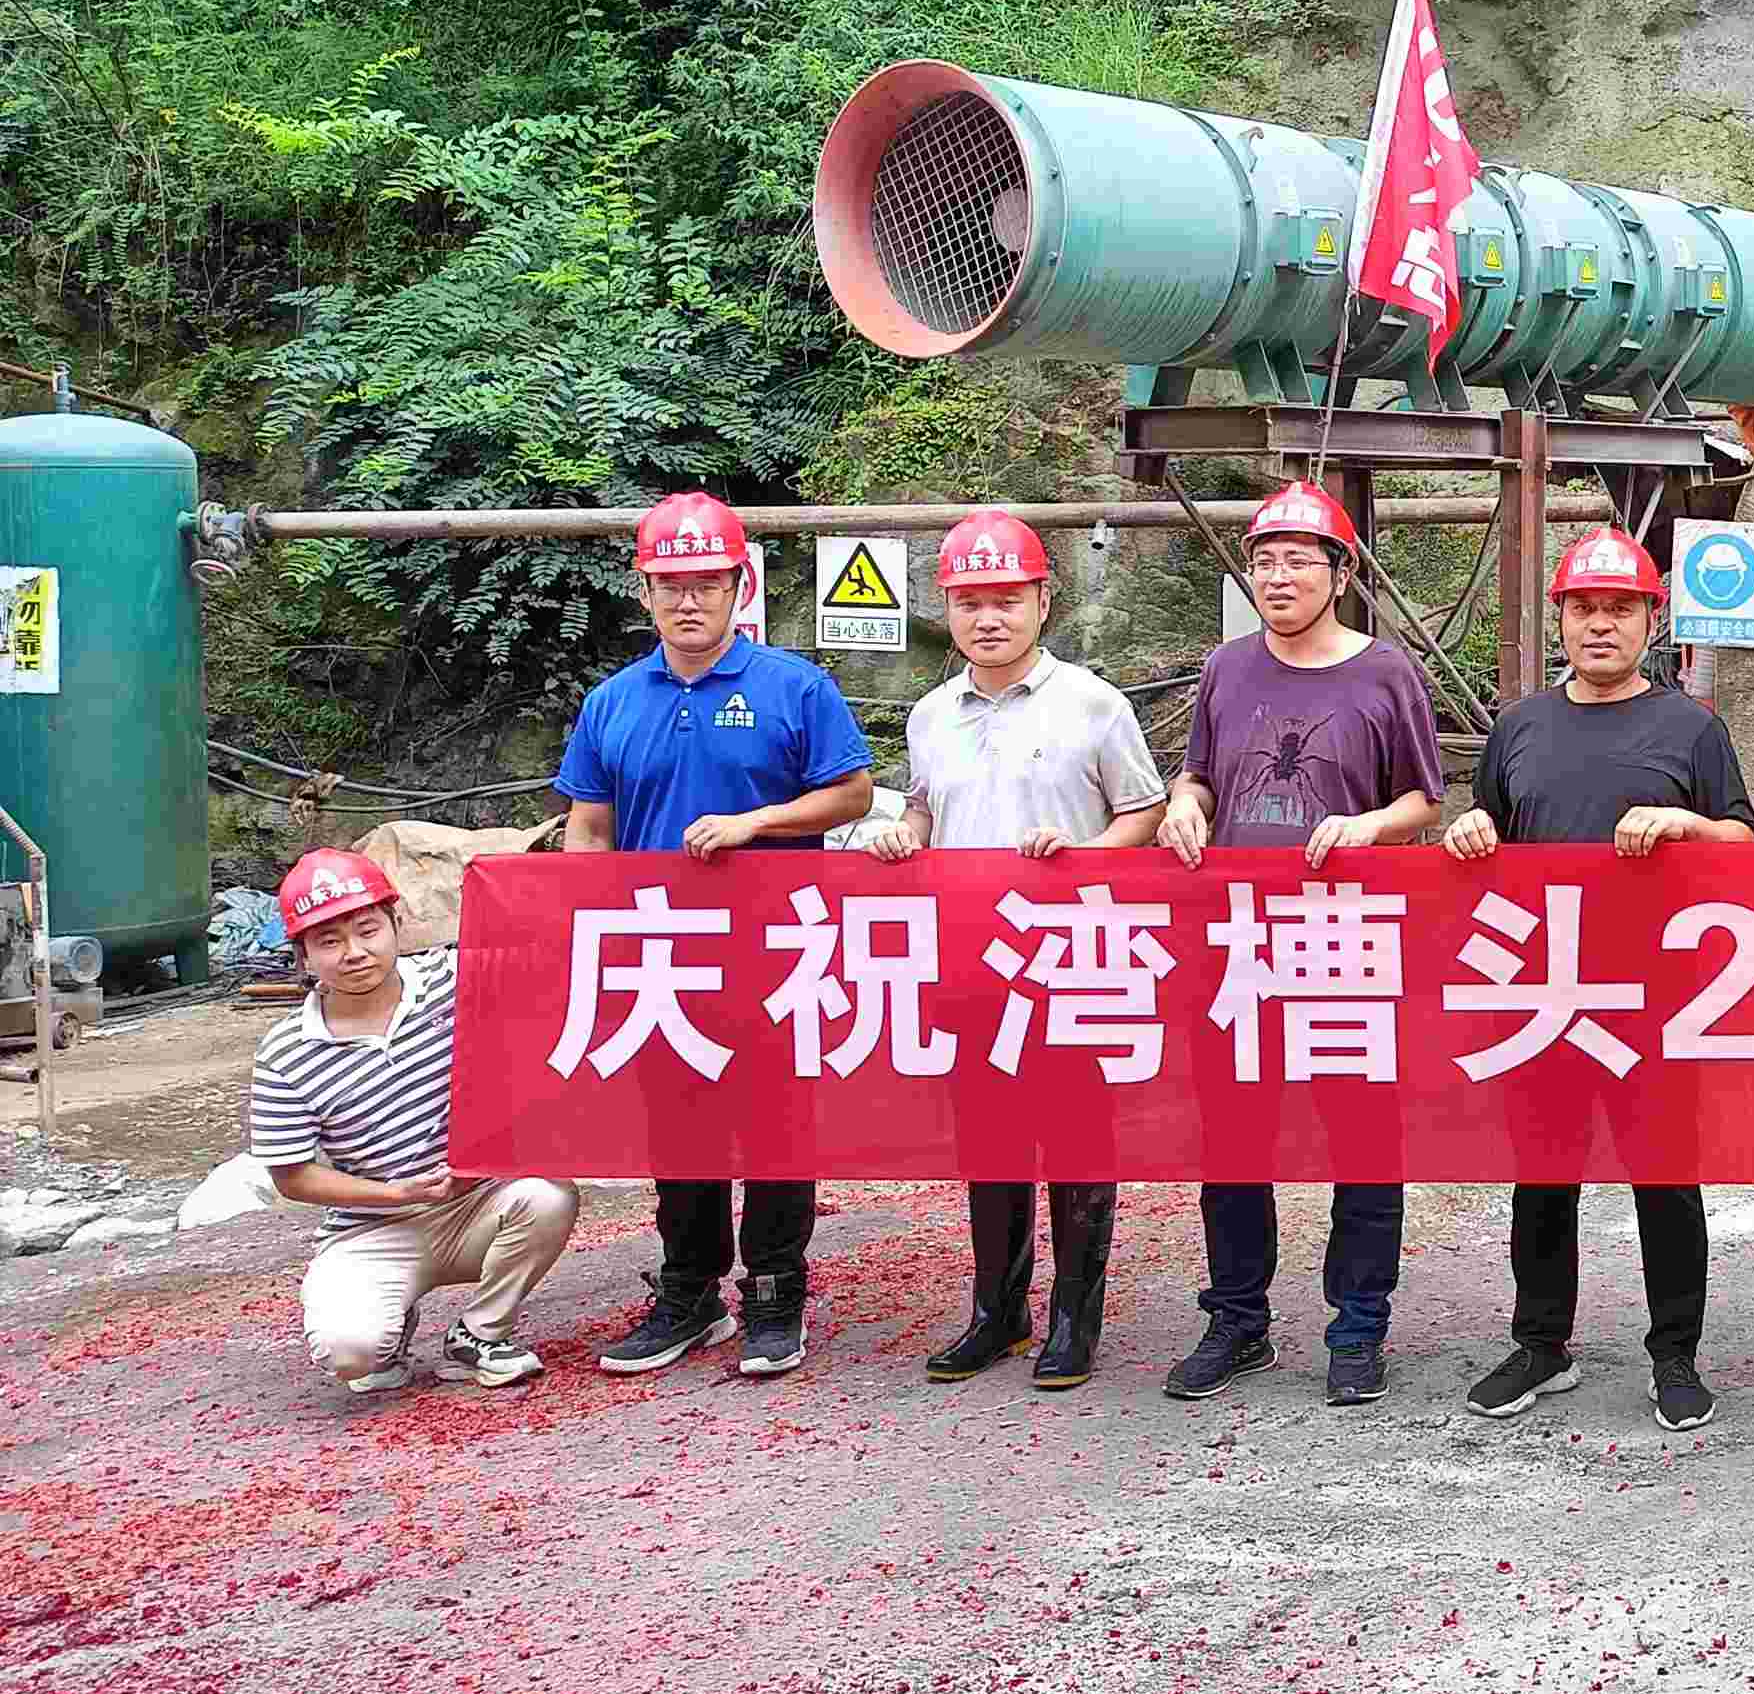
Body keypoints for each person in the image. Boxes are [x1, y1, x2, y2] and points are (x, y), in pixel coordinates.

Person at [1442, 525, 1754, 1428]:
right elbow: (1487, 840)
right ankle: (1541, 1345)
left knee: (1665, 1178)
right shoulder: (1519, 727)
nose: (1601, 624)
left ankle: (1675, 1355)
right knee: (1543, 1175)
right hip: (1546, 996)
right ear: (1562, 620)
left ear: (1651, 620)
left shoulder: (1692, 729)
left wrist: (1686, 825)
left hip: (1656, 999)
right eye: (1584, 608)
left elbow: (1746, 842)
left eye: (1620, 608)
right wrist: (1469, 834)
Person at [563, 492, 875, 1379]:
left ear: (742, 586)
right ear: (645, 593)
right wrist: (587, 924)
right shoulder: (612, 702)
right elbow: (590, 826)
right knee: (680, 1128)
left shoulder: (795, 688)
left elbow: (851, 793)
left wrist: (759, 823)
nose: (689, 600)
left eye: (707, 582)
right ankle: (689, 1290)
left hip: (779, 951)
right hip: (664, 953)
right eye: (671, 585)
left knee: (778, 1124)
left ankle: (776, 1291)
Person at [1153, 481, 1445, 1405]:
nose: (1278, 577)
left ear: (1341, 573)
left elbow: (1425, 799)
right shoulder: (1226, 669)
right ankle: (1237, 1320)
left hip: (1347, 940)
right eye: (1264, 561)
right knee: (1233, 1139)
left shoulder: (1386, 673)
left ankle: (1358, 1326)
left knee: (1364, 1139)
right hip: (1240, 941)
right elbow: (1199, 775)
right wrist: (1182, 807)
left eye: (1298, 560)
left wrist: (1369, 826)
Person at [866, 508, 1170, 1391]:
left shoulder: (1094, 703)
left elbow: (1144, 813)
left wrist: (1087, 854)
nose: (988, 618)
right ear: (947, 610)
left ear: (1044, 600)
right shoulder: (931, 714)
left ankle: (1075, 1320)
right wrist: (906, 832)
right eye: (970, 603)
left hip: (1072, 959)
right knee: (989, 1143)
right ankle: (996, 1313)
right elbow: (925, 807)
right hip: (970, 958)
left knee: (1078, 1142)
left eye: (1006, 599)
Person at [260, 847, 581, 1396]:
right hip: (372, 1225)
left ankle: (481, 1332)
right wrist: (394, 1193)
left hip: (479, 1202)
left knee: (549, 1195)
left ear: (396, 923)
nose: (355, 952)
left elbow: (553, 956)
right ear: (304, 956)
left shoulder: (453, 977)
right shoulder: (285, 1052)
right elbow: (291, 1175)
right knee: (351, 1353)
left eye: (367, 930)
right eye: (329, 941)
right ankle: (390, 1326)